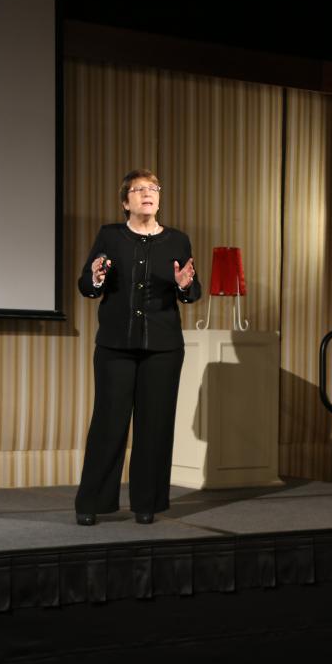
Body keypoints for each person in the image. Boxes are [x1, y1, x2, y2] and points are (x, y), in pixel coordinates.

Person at [75, 168, 201, 525]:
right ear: (125, 202)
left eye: (153, 188)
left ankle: (148, 503)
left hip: (163, 347)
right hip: (116, 345)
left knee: (155, 426)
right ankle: (92, 502)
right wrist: (96, 277)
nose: (148, 194)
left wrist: (183, 285)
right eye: (139, 189)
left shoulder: (177, 240)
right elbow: (87, 284)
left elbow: (193, 291)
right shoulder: (110, 236)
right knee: (109, 423)